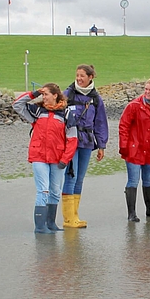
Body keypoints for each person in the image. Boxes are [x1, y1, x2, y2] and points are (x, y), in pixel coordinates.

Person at [13, 84, 78, 234]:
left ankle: (51, 223)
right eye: (42, 94)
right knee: (43, 190)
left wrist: (65, 159)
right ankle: (40, 227)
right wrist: (34, 93)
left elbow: (73, 139)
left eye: (46, 94)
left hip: (58, 158)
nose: (44, 97)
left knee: (55, 191)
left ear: (55, 95)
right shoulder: (37, 111)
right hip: (39, 156)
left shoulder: (66, 114)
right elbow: (17, 105)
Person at [62, 64, 109, 228]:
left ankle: (75, 215)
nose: (79, 79)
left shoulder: (96, 98)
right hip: (71, 141)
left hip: (87, 142)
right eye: (77, 75)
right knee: (71, 176)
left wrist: (101, 145)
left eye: (82, 76)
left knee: (80, 179)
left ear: (91, 77)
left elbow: (101, 122)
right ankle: (68, 219)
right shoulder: (68, 94)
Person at [118, 78, 150, 222]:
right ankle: (131, 213)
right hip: (134, 149)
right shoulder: (134, 106)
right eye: (146, 89)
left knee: (148, 181)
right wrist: (124, 146)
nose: (147, 92)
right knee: (133, 181)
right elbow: (124, 127)